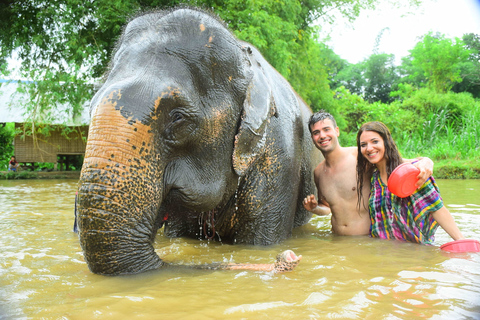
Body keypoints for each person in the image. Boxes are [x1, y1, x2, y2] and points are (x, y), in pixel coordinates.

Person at [302, 110, 433, 236]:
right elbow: (327, 208)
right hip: (336, 242)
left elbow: (400, 162)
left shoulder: (360, 156)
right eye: (316, 132)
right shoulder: (318, 172)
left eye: (326, 129)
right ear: (312, 138)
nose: (322, 136)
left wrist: (427, 161)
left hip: (368, 240)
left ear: (337, 131)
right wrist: (314, 208)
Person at [356, 121, 464, 244]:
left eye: (375, 142)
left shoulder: (411, 172)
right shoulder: (374, 179)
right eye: (363, 145)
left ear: (386, 142)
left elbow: (436, 208)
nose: (369, 148)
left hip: (415, 253)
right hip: (384, 253)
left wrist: (461, 241)